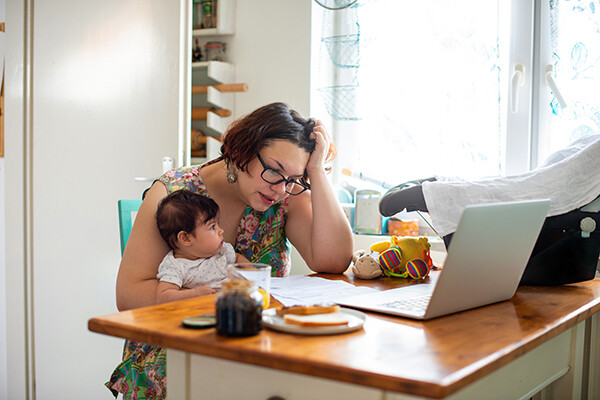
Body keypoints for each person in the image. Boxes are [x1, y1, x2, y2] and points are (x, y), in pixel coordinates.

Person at [107, 102, 354, 398]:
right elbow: (128, 295)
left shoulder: (284, 195)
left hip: (256, 342)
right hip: (178, 346)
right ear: (242, 149)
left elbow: (335, 261)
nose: (280, 189)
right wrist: (212, 299)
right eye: (275, 171)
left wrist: (317, 173)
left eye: (293, 179)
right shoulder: (174, 193)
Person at [155, 189, 249, 303]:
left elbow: (237, 259)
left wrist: (253, 273)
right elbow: (163, 297)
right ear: (185, 238)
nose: (221, 231)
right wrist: (195, 293)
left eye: (218, 224)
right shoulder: (176, 266)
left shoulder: (220, 251)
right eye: (212, 227)